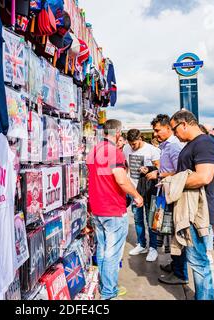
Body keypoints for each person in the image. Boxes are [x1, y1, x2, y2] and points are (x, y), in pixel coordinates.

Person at [162, 110, 214, 300]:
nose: (174, 133)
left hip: (197, 212)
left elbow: (203, 176)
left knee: (199, 261)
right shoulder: (193, 144)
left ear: (184, 124)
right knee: (195, 259)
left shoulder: (204, 143)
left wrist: (172, 183)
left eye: (174, 128)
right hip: (189, 210)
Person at [87, 119, 144, 299]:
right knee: (111, 254)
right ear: (118, 133)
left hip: (97, 208)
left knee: (103, 251)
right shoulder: (114, 152)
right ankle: (109, 292)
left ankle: (105, 287)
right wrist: (137, 195)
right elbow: (121, 179)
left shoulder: (93, 150)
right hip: (112, 208)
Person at [146, 115, 188, 284]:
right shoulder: (165, 146)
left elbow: (181, 172)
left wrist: (159, 173)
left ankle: (180, 273)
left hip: (173, 195)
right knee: (167, 232)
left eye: (158, 130)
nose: (155, 134)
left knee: (175, 235)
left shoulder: (174, 147)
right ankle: (175, 265)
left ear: (168, 128)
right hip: (165, 193)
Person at [123, 129, 161, 262]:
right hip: (134, 190)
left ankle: (153, 248)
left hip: (149, 190)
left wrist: (149, 170)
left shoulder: (152, 150)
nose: (132, 147)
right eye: (131, 144)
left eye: (135, 144)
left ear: (141, 138)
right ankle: (142, 244)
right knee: (138, 219)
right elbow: (126, 167)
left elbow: (160, 169)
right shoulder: (126, 148)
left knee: (151, 220)